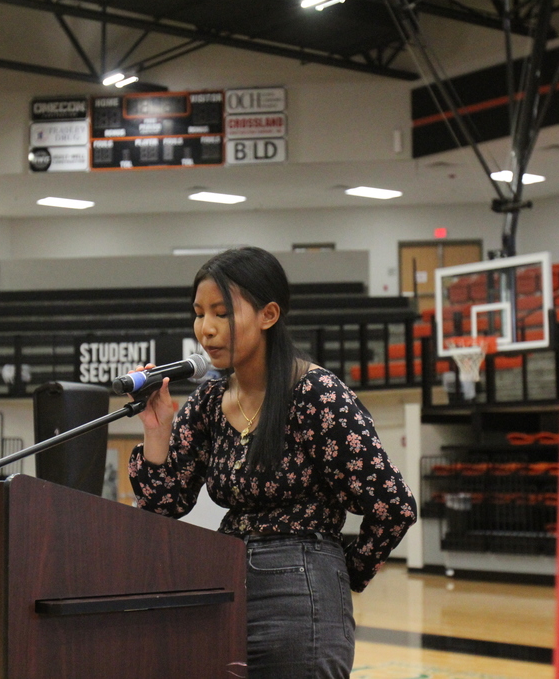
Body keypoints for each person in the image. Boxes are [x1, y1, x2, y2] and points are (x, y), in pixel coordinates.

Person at [129, 246, 417, 678]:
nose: (206, 329)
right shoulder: (208, 401)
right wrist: (156, 430)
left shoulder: (316, 394)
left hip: (301, 595)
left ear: (268, 315)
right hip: (224, 587)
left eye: (222, 313)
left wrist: (342, 573)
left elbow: (394, 506)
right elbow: (162, 506)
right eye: (199, 313)